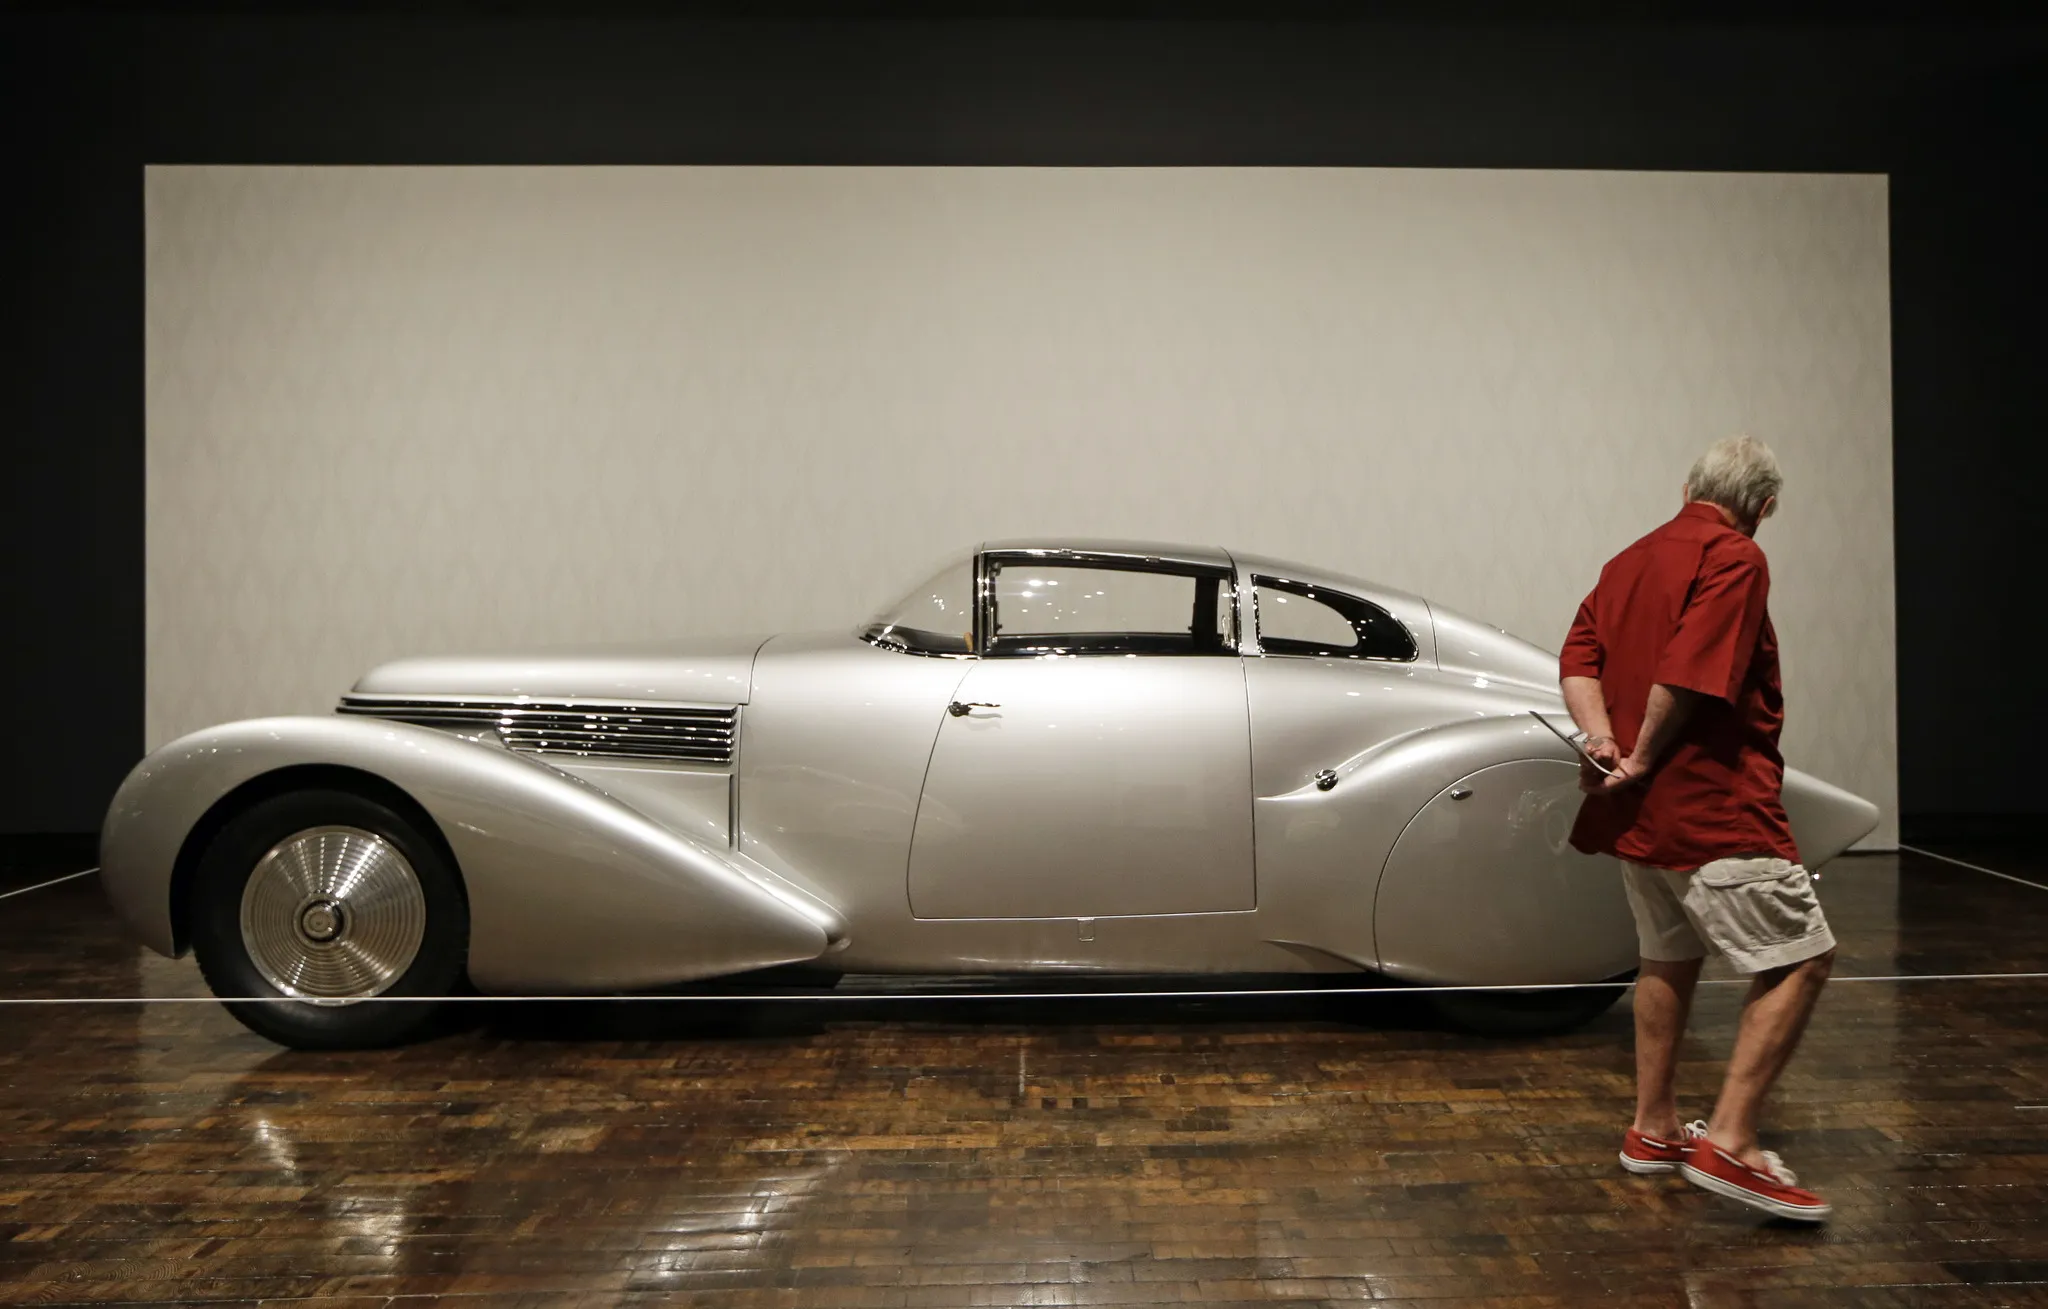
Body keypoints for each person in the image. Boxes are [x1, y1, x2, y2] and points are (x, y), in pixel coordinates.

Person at [1559, 435, 1836, 1223]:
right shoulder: (1737, 558)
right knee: (1801, 959)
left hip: (1639, 811)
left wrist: (1604, 743)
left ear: (1688, 489)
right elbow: (1690, 669)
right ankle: (1734, 1140)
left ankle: (1654, 1127)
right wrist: (1644, 755)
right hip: (1713, 803)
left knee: (1667, 955)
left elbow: (1577, 658)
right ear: (1765, 507)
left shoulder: (1629, 559)